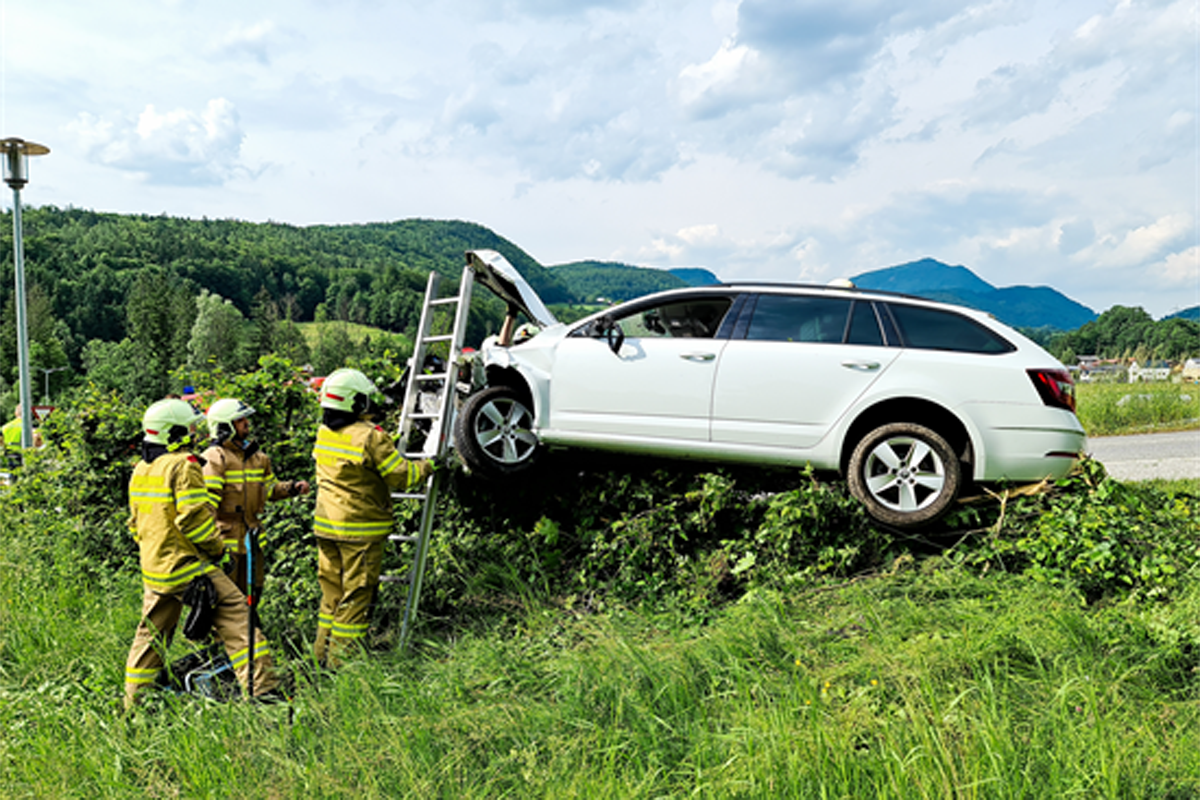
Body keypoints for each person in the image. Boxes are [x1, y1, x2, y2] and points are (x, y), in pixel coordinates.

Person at [123, 398, 279, 709]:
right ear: (173, 432)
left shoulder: (141, 468)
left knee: (150, 636)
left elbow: (134, 524)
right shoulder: (185, 466)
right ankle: (264, 694)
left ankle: (134, 704)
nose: (194, 435)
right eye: (189, 429)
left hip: (155, 570)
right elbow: (193, 520)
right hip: (188, 567)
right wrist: (219, 553)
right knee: (239, 619)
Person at [311, 368, 434, 666]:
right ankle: (343, 665)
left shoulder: (325, 431)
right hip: (359, 532)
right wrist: (430, 465)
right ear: (354, 403)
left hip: (326, 529)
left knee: (332, 597)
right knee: (356, 596)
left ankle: (320, 657)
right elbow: (401, 476)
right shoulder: (370, 437)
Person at [202, 397, 310, 597]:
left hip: (252, 540)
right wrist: (208, 542)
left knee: (253, 595)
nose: (246, 423)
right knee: (226, 599)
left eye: (245, 419)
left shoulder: (258, 458)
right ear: (225, 426)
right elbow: (207, 504)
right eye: (240, 420)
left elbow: (269, 489)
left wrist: (292, 488)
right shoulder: (214, 458)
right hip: (225, 543)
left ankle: (251, 628)